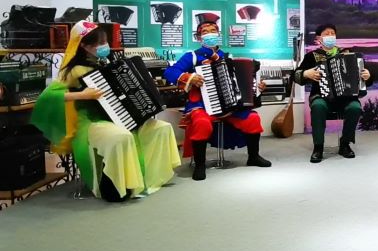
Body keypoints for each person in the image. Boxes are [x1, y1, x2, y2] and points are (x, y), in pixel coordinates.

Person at [31, 21, 181, 201]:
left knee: (162, 127)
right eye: (99, 43)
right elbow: (47, 97)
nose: (104, 46)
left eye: (105, 41)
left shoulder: (105, 63)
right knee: (121, 136)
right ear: (84, 46)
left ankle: (150, 177)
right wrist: (82, 95)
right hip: (91, 121)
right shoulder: (73, 70)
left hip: (120, 116)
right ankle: (119, 186)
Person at [164, 21, 271, 181]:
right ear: (198, 37)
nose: (210, 34)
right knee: (201, 123)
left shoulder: (228, 57)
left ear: (219, 34)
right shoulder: (192, 56)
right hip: (201, 104)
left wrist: (257, 87)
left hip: (229, 105)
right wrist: (190, 77)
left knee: (253, 119)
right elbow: (170, 72)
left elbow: (240, 83)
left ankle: (253, 157)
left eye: (213, 30)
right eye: (205, 32)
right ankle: (200, 165)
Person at [294, 23, 372, 163]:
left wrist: (368, 76)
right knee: (318, 106)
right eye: (326, 34)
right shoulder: (311, 56)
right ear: (319, 38)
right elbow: (296, 76)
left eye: (332, 33)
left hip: (346, 98)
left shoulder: (347, 54)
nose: (330, 36)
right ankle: (318, 147)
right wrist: (306, 73)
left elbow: (364, 77)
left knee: (355, 107)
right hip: (321, 97)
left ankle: (345, 144)